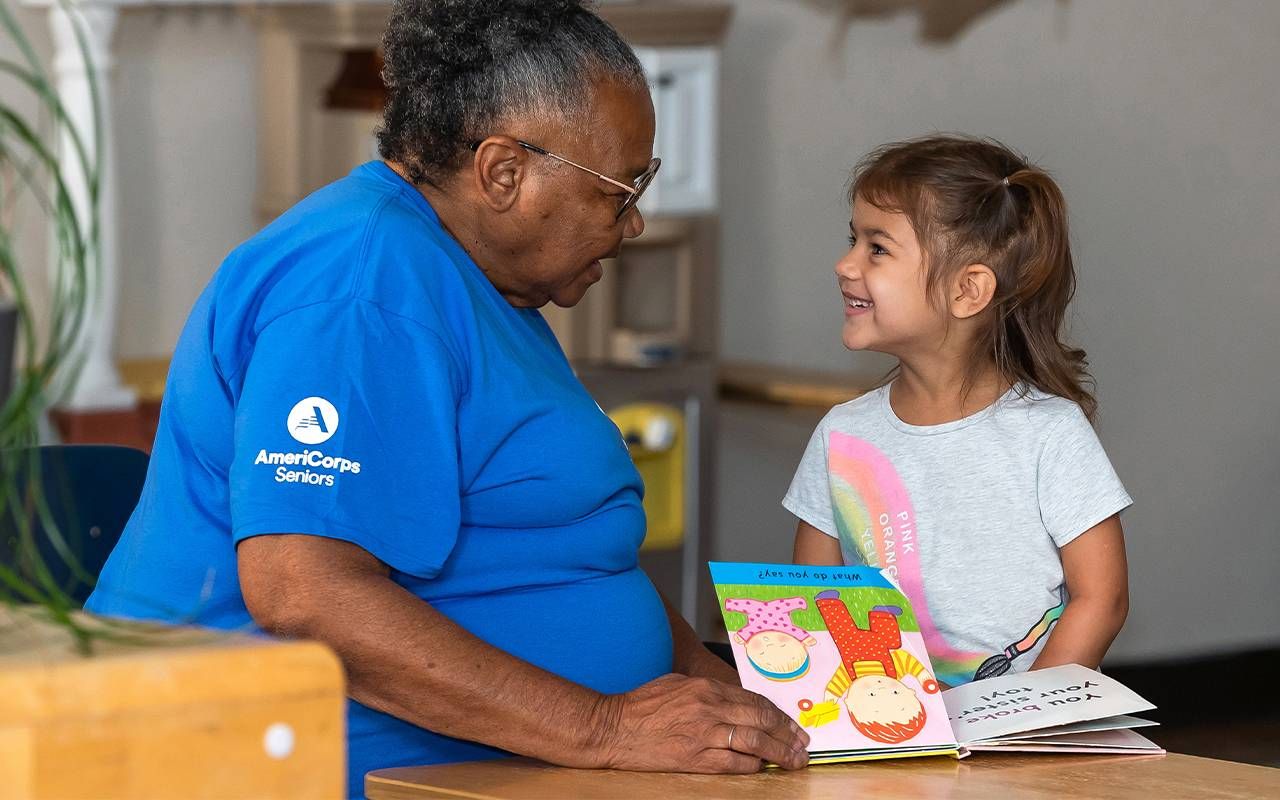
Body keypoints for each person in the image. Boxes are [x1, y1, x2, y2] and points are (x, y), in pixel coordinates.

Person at [85, 1, 808, 795]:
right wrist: (604, 728)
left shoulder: (484, 282)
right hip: (293, 765)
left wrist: (713, 689)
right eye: (618, 188)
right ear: (503, 172)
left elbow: (573, 548)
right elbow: (304, 592)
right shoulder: (361, 286)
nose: (633, 222)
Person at [786, 135, 1132, 689]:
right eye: (853, 240)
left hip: (1027, 745)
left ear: (968, 291)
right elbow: (815, 595)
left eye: (877, 247)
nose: (845, 265)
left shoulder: (1050, 434)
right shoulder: (841, 436)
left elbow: (1102, 599)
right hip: (894, 733)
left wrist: (1024, 717)